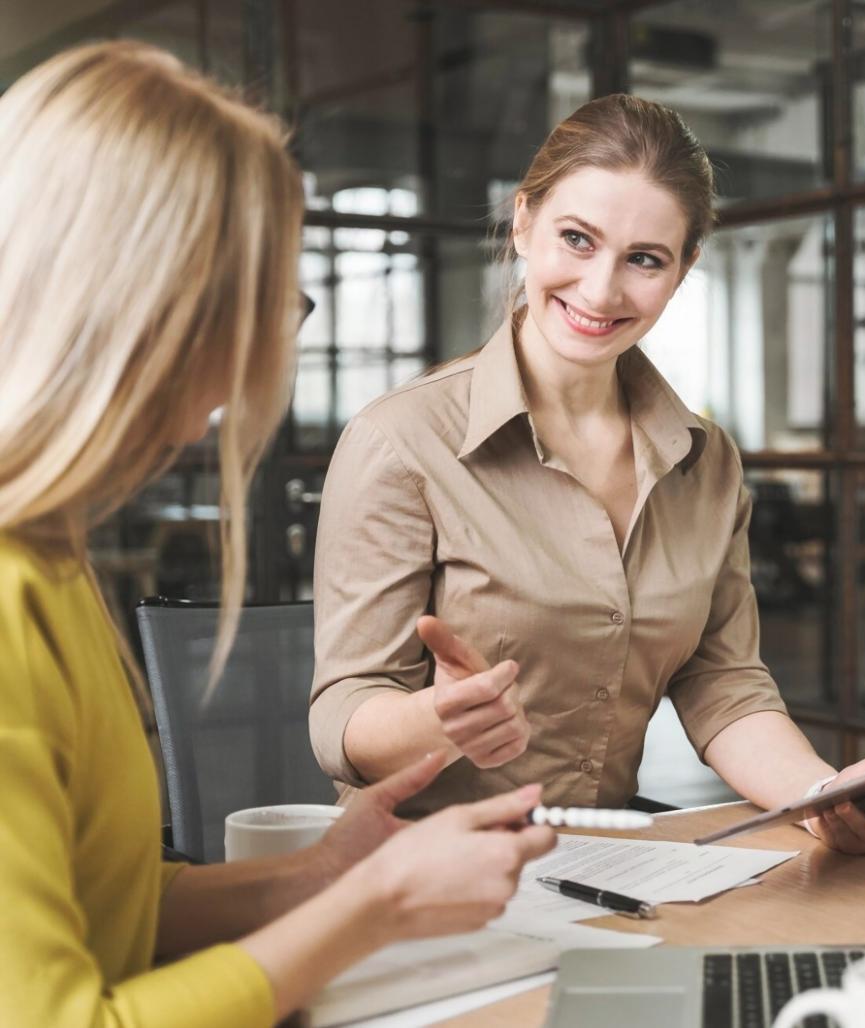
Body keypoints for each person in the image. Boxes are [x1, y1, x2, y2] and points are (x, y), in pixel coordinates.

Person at [0, 43, 556, 1026]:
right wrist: (373, 906)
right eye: (263, 299)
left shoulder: (49, 553)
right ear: (140, 303)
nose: (269, 347)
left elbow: (115, 912)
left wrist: (321, 874)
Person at [308, 93, 865, 855]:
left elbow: (723, 683)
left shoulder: (705, 462)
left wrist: (819, 794)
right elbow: (342, 710)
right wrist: (433, 720)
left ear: (683, 269)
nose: (601, 291)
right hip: (417, 868)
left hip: (606, 865)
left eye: (644, 259)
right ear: (523, 223)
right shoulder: (402, 441)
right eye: (577, 239)